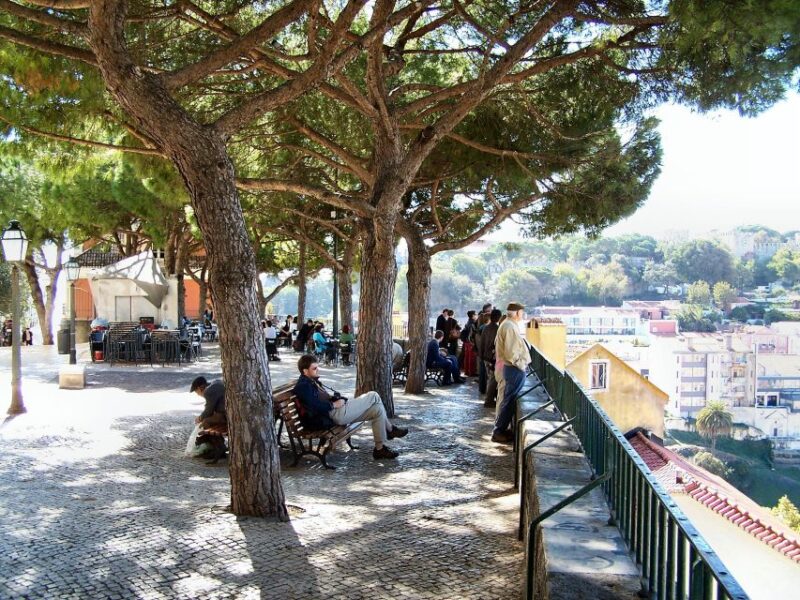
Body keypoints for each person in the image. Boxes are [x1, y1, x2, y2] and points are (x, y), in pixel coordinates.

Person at [293, 355, 408, 459]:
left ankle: (380, 449)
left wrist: (337, 398)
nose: (318, 370)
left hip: (338, 410)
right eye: (314, 368)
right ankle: (390, 430)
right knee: (373, 395)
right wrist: (334, 404)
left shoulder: (311, 381)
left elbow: (322, 398)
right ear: (305, 371)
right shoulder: (303, 386)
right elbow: (315, 406)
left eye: (317, 367)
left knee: (377, 410)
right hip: (335, 414)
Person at [492, 303, 531, 444]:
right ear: (517, 313)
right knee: (507, 401)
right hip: (513, 369)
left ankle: (500, 429)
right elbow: (511, 353)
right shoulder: (509, 326)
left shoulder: (508, 325)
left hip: (512, 368)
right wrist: (521, 365)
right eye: (521, 312)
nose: (523, 314)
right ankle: (498, 431)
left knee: (508, 400)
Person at [478, 309, 501, 408]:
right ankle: (489, 400)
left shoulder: (485, 328)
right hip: (492, 357)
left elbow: (482, 343)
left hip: (485, 357)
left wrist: (481, 355)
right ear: (498, 317)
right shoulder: (498, 328)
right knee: (493, 380)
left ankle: (491, 398)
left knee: (490, 379)